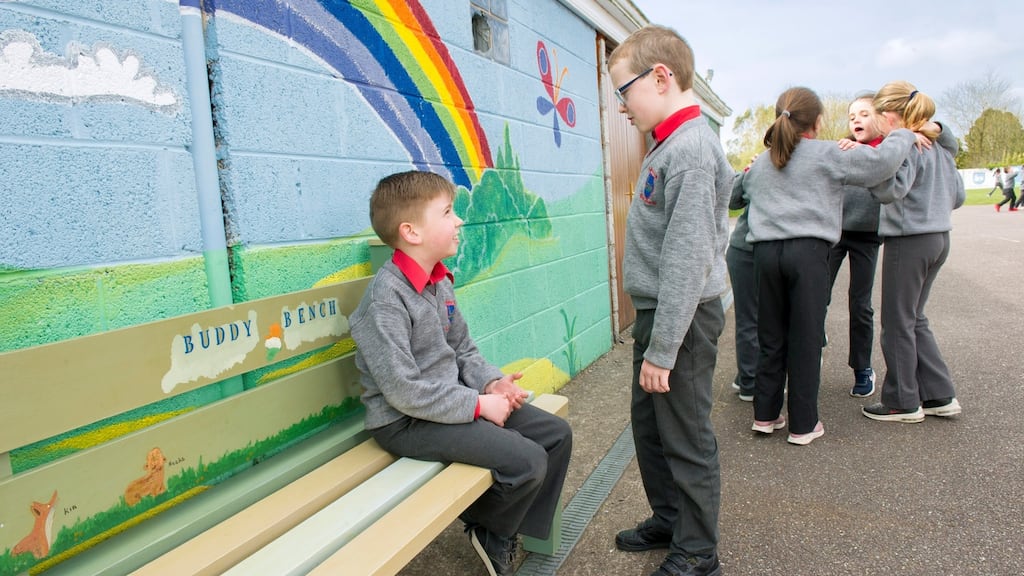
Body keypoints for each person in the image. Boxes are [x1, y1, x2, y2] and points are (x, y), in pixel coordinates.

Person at [349, 171, 573, 576]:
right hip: (405, 421)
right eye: (448, 212)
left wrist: (491, 383)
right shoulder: (385, 300)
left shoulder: (438, 282)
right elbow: (403, 391)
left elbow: (463, 349)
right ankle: (489, 527)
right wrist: (477, 405)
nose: (459, 221)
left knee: (556, 436)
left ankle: (505, 528)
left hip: (449, 401)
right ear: (411, 232)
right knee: (527, 461)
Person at [607, 24, 732, 576]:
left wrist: (663, 350)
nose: (621, 106)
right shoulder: (670, 145)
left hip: (682, 316)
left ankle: (698, 550)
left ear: (660, 78)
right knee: (650, 427)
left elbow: (687, 259)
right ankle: (671, 517)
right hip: (663, 315)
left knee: (684, 434)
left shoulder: (691, 151)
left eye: (623, 91)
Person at [736, 87, 918, 446]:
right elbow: (881, 165)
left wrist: (750, 173)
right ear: (817, 122)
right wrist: (904, 134)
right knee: (804, 338)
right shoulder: (828, 154)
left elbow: (732, 196)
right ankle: (804, 425)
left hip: (766, 254)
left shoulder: (764, 159)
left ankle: (766, 414)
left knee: (770, 336)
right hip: (808, 252)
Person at [861, 81, 966, 423]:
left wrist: (875, 172)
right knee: (916, 318)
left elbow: (892, 190)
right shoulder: (939, 147)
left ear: (890, 117)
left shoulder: (904, 144)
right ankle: (939, 394)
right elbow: (959, 196)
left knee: (897, 322)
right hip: (938, 237)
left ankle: (902, 400)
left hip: (909, 241)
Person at [828, 93, 886, 398]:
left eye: (864, 114)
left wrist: (862, 153)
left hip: (867, 235)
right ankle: (810, 346)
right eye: (852, 117)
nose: (856, 121)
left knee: (860, 304)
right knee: (815, 294)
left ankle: (862, 367)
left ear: (880, 118)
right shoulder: (844, 148)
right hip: (836, 232)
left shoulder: (887, 149)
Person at [727, 165, 757, 403]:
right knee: (750, 318)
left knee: (754, 318)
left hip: (768, 249)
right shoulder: (759, 167)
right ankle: (750, 380)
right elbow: (732, 199)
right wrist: (749, 172)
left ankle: (749, 376)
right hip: (747, 249)